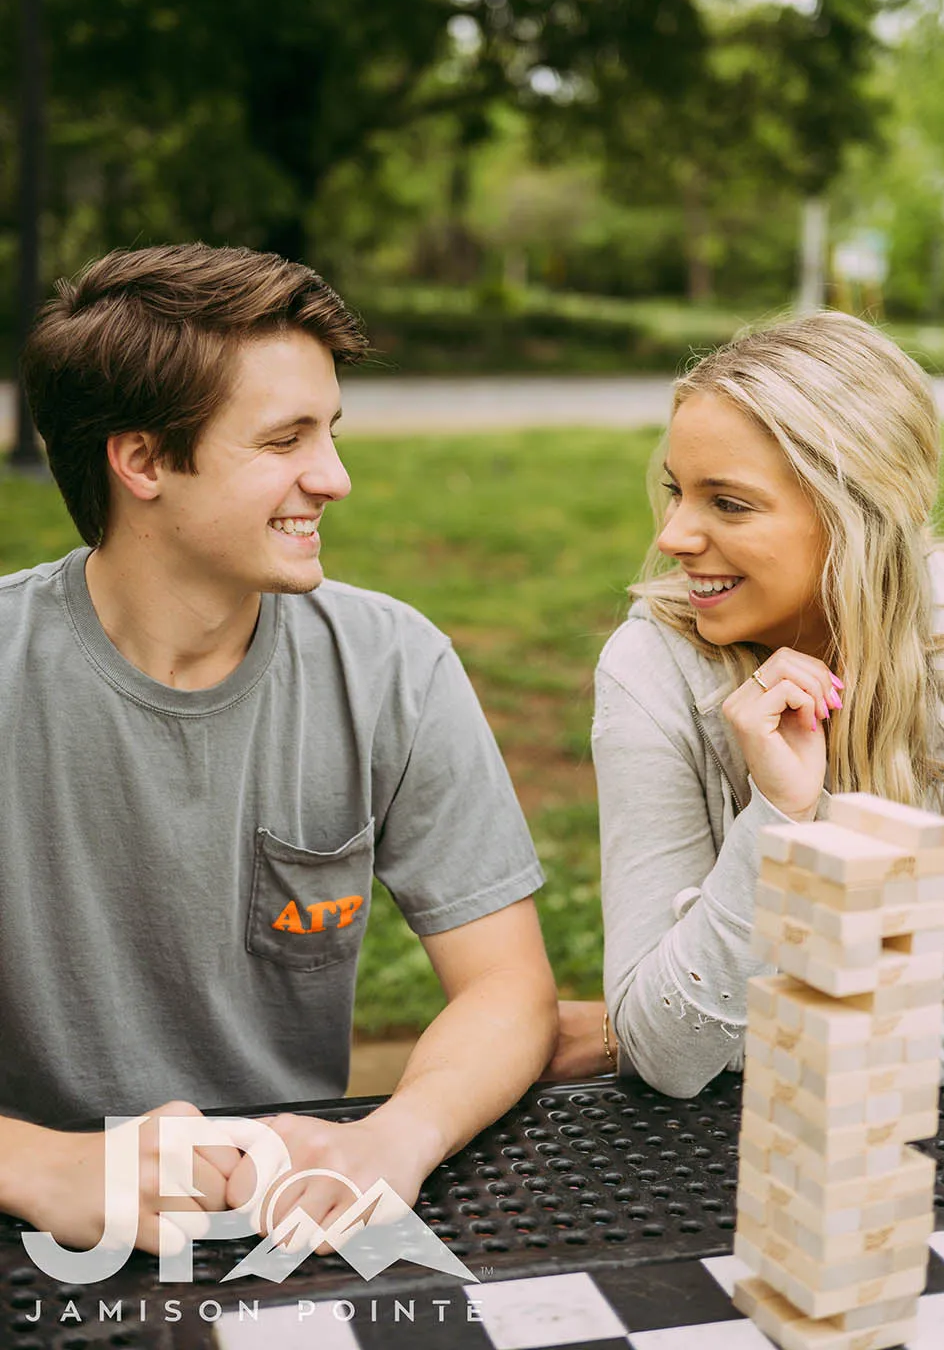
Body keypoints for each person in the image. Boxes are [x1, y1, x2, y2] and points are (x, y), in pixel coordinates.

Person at [0, 243, 558, 1254]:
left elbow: (507, 989)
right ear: (142, 461)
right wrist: (40, 1164)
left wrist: (398, 1137)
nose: (335, 478)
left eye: (330, 432)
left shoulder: (393, 665)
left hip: (290, 1224)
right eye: (285, 439)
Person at [544, 311, 944, 1096]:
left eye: (727, 504)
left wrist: (659, 1024)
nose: (673, 535)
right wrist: (778, 815)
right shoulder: (651, 665)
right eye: (676, 492)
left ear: (859, 513)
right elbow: (666, 1057)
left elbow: (943, 1043)